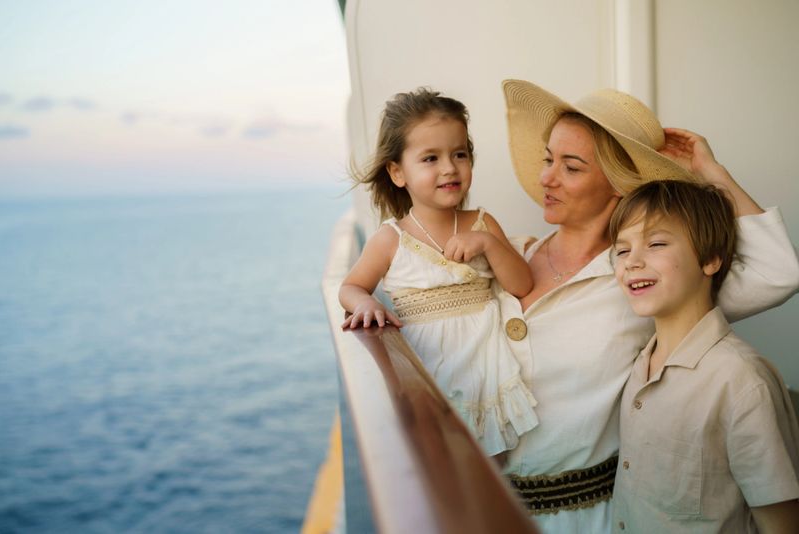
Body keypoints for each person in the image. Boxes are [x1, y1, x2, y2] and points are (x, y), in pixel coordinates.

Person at [497, 79, 799, 532]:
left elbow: (779, 273)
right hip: (487, 509)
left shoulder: (642, 281)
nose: (546, 177)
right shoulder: (509, 255)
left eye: (571, 166)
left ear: (618, 185)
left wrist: (714, 175)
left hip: (588, 519)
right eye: (548, 159)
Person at [339, 88, 540, 457]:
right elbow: (350, 286)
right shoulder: (391, 238)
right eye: (430, 158)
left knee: (493, 464)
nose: (449, 167)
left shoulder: (482, 223)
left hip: (485, 368)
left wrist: (490, 244)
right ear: (398, 172)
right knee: (442, 462)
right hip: (430, 370)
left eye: (459, 154)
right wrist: (365, 303)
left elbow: (522, 284)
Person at [609, 179, 799, 533]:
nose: (632, 262)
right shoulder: (638, 365)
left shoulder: (741, 381)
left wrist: (712, 173)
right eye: (621, 250)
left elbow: (781, 524)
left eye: (657, 243)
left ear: (711, 258)